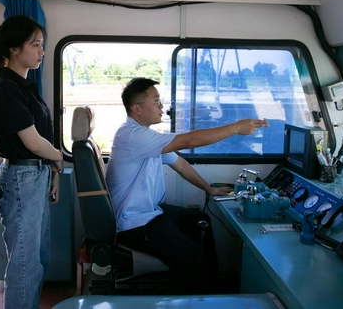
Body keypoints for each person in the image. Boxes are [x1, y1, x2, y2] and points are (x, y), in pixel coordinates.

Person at [106, 77, 269, 292]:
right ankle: (191, 297)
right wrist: (235, 128)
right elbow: (188, 140)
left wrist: (208, 189)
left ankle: (209, 288)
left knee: (201, 219)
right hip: (135, 223)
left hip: (150, 212)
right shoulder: (133, 136)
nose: (161, 107)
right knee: (192, 256)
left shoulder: (146, 137)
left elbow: (179, 164)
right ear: (137, 108)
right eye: (155, 102)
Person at [0, 14, 64, 309]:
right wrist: (60, 158)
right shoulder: (6, 88)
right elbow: (32, 142)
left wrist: (54, 169)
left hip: (36, 175)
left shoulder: (24, 86)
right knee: (24, 264)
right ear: (13, 50)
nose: (41, 51)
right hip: (21, 178)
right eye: (35, 45)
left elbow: (42, 137)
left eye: (42, 45)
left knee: (38, 259)